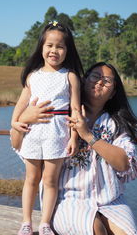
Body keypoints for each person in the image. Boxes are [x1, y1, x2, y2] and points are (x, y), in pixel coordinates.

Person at [11, 62, 137, 235]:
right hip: (67, 200)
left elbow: (124, 164)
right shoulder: (60, 115)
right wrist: (24, 119)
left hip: (111, 200)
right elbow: (17, 144)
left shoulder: (116, 125)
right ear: (83, 81)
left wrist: (88, 135)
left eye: (107, 80)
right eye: (95, 76)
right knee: (95, 229)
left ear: (113, 93)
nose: (100, 82)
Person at [11, 21, 84, 235]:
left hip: (57, 134)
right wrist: (15, 122)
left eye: (60, 47)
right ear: (41, 47)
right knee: (31, 179)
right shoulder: (33, 76)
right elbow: (21, 104)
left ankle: (44, 223)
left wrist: (73, 137)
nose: (54, 51)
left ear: (67, 51)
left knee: (50, 181)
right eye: (49, 45)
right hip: (33, 134)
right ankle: (26, 222)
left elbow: (75, 110)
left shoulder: (70, 76)